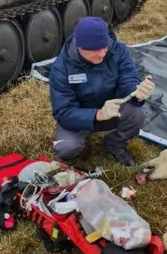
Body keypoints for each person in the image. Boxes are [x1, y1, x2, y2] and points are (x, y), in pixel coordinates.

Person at [48, 16, 155, 167]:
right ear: (80, 47)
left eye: (104, 47)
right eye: (95, 50)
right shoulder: (61, 67)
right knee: (66, 148)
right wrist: (97, 114)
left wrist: (137, 92)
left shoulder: (118, 50)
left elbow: (128, 79)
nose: (102, 53)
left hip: (113, 109)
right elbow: (63, 112)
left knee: (138, 113)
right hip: (80, 117)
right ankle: (80, 141)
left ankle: (114, 143)